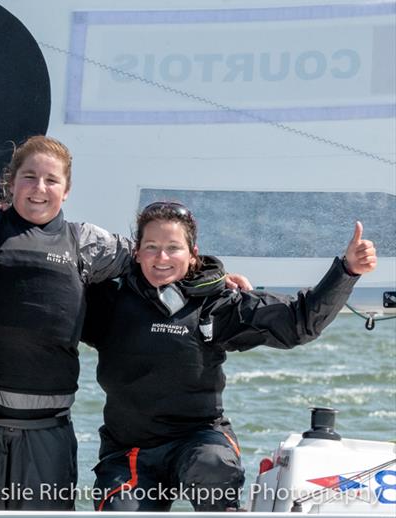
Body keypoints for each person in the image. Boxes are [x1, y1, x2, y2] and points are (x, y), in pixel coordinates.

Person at [0, 43, 250, 510]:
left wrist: (213, 276)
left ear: (66, 189)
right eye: (29, 177)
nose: (38, 189)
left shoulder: (88, 243)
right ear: (11, 181)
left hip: (48, 430)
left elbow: (160, 257)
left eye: (50, 180)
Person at [81, 201, 377, 512]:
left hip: (200, 440)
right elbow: (50, 305)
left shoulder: (217, 304)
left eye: (173, 247)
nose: (162, 257)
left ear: (193, 253)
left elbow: (299, 323)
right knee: (121, 509)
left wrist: (347, 270)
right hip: (129, 450)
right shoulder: (109, 303)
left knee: (212, 466)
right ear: (136, 252)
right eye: (151, 246)